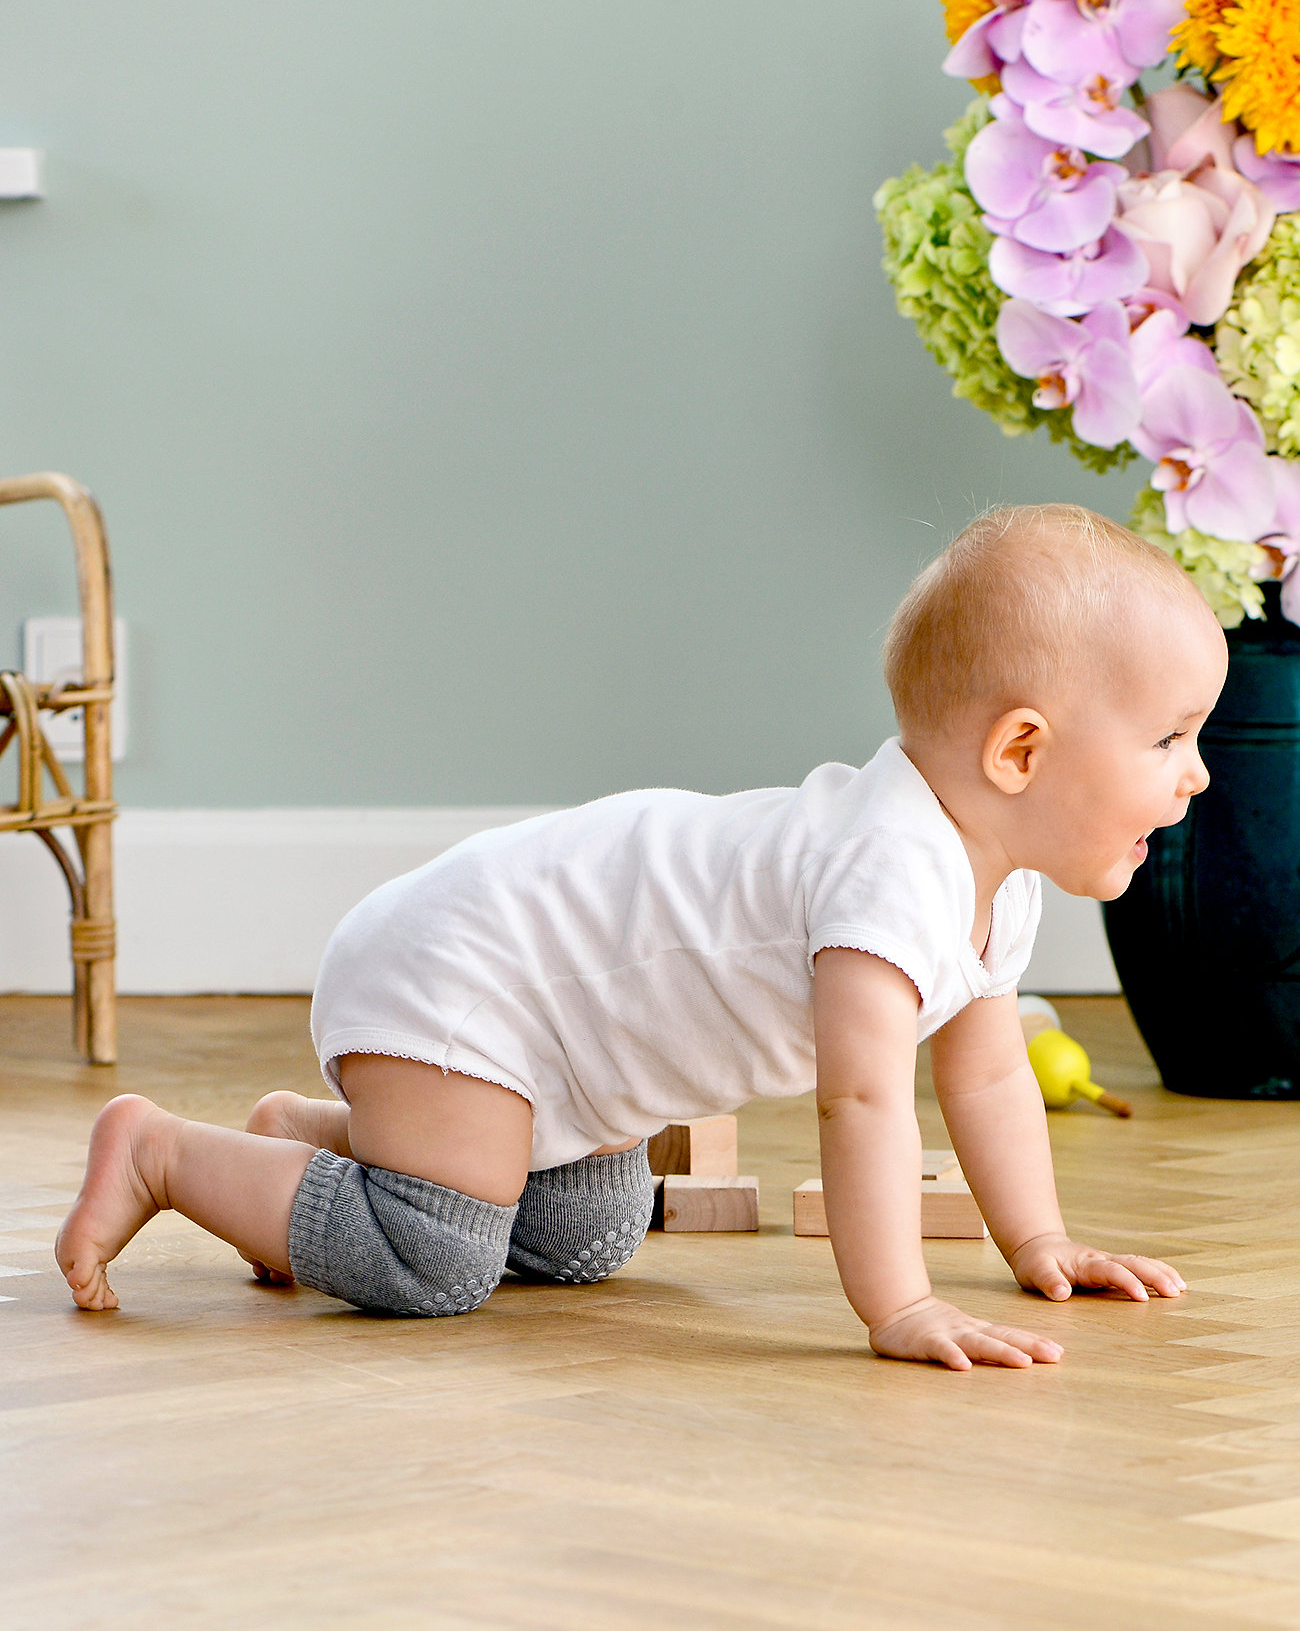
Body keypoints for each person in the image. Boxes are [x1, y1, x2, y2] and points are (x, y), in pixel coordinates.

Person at [55, 503, 1225, 1370]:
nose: (1196, 774)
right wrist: (900, 1303)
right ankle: (166, 1153)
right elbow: (863, 1103)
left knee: (586, 1235)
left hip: (564, 1046)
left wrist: (1039, 1239)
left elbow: (985, 1078)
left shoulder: (994, 883)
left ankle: (319, 1144)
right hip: (469, 971)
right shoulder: (886, 872)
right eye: (1169, 738)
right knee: (437, 1259)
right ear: (1018, 752)